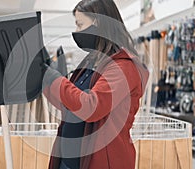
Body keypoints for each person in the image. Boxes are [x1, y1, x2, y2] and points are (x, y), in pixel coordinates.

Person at [42, 0, 149, 168]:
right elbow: (69, 105)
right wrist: (46, 81)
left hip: (100, 162)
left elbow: (91, 107)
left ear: (98, 23)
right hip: (69, 161)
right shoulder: (92, 61)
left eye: (80, 24)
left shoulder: (124, 67)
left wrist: (54, 79)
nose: (76, 32)